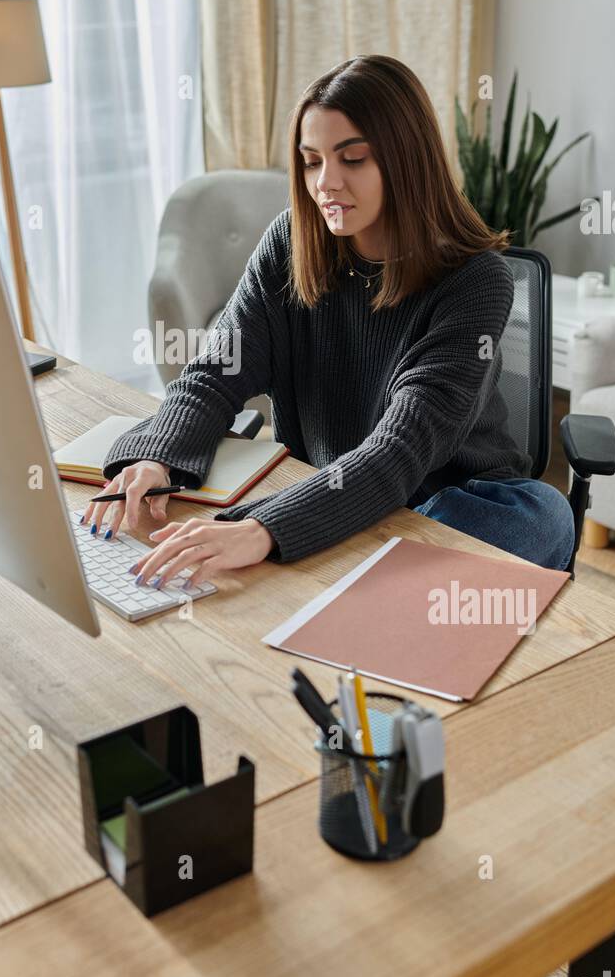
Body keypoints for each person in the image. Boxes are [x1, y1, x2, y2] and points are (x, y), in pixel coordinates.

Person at [82, 55, 575, 589]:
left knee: (544, 516)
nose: (326, 183)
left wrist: (262, 526)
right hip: (329, 484)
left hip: (448, 496)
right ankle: (360, 570)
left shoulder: (476, 280)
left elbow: (399, 451)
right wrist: (157, 460)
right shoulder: (290, 242)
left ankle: (357, 571)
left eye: (353, 159)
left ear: (406, 159)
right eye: (312, 161)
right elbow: (213, 374)